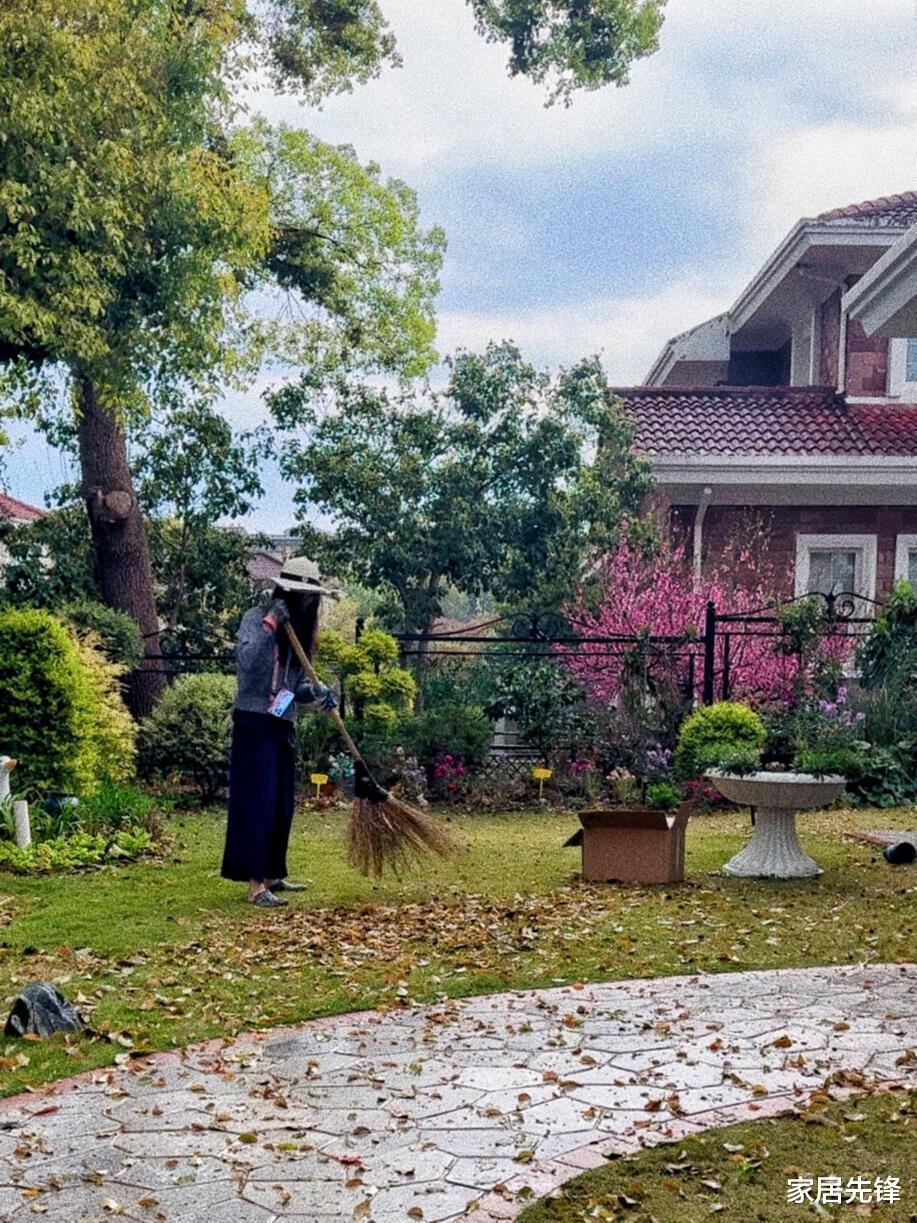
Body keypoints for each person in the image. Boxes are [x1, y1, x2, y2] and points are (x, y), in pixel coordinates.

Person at [221, 556, 337, 908]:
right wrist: (270, 624)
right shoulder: (255, 619)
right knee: (259, 801)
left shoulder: (302, 631)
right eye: (302, 595)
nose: (307, 601)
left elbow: (293, 687)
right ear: (285, 592)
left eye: (311, 596)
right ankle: (255, 885)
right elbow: (247, 666)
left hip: (281, 723)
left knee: (281, 803)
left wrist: (315, 693)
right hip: (253, 721)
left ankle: (272, 874)